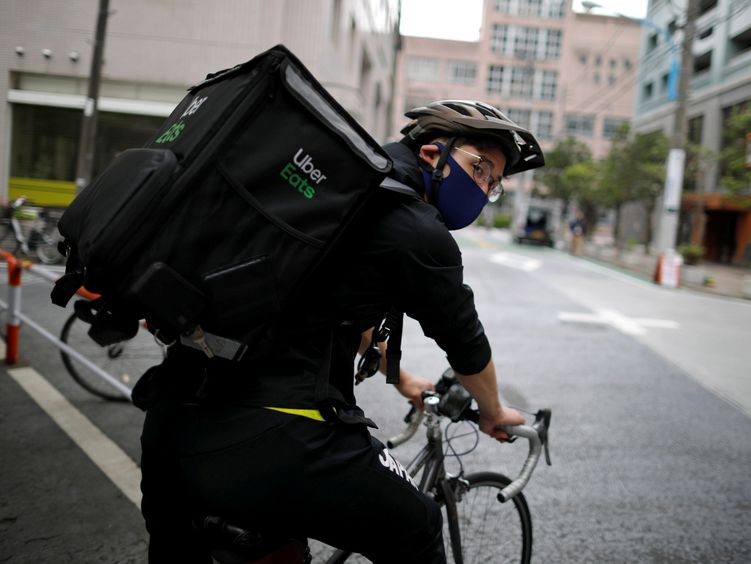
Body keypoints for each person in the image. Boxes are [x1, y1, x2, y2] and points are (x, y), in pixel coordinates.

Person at [138, 100, 545, 563]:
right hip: (279, 433)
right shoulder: (416, 228)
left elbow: (328, 302)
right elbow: (465, 340)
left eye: (494, 184)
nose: (485, 187)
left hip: (173, 419)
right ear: (434, 154)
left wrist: (403, 379)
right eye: (480, 169)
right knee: (419, 526)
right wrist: (492, 409)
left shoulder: (341, 192)